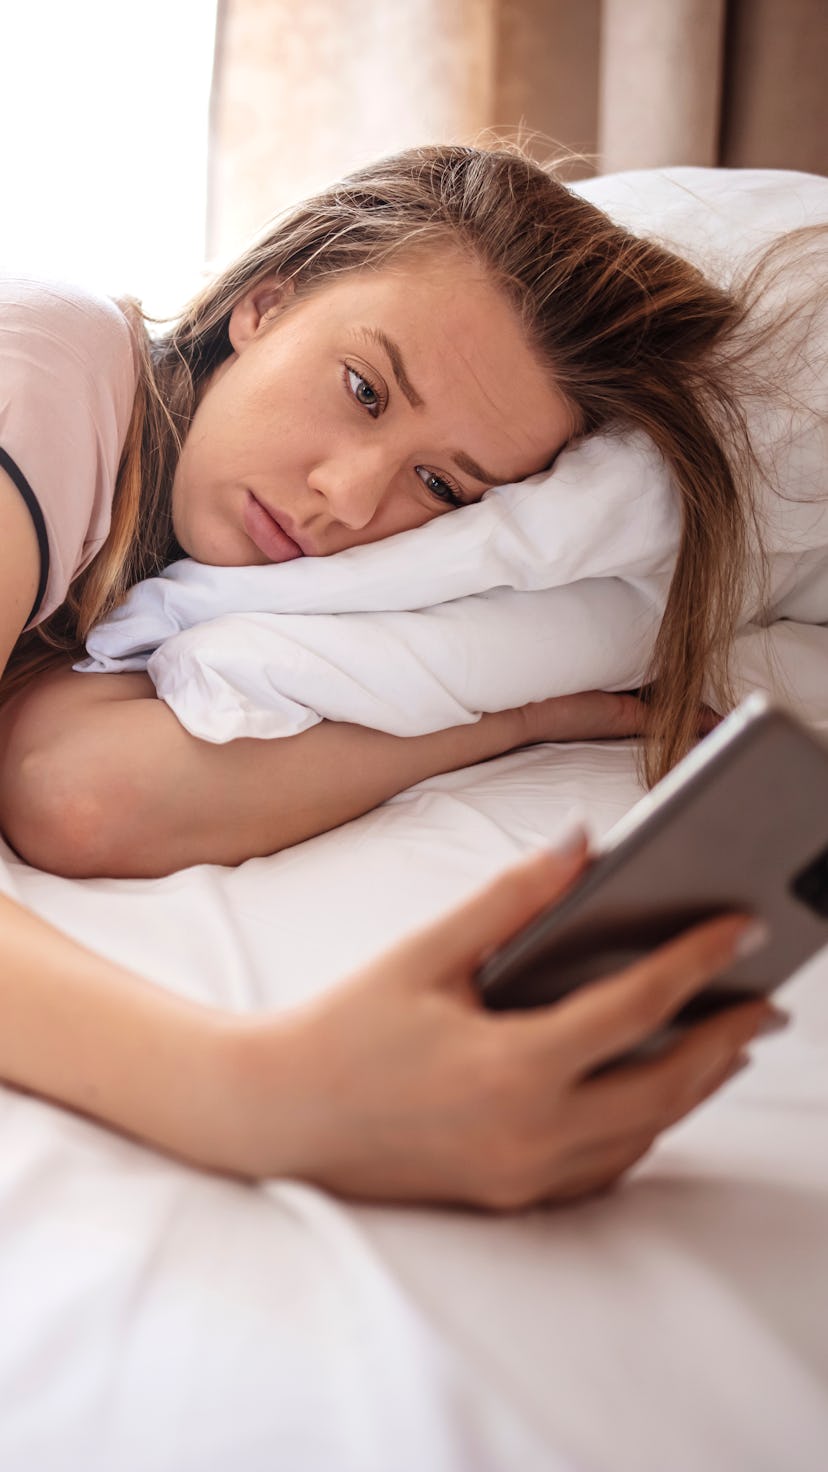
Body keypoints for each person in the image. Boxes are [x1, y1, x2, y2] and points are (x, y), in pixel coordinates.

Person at [0, 144, 807, 1206]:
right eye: (363, 388)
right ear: (265, 300)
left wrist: (515, 718)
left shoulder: (162, 570)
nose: (345, 494)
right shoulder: (51, 369)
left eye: (436, 483)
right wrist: (265, 1093)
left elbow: (82, 797)